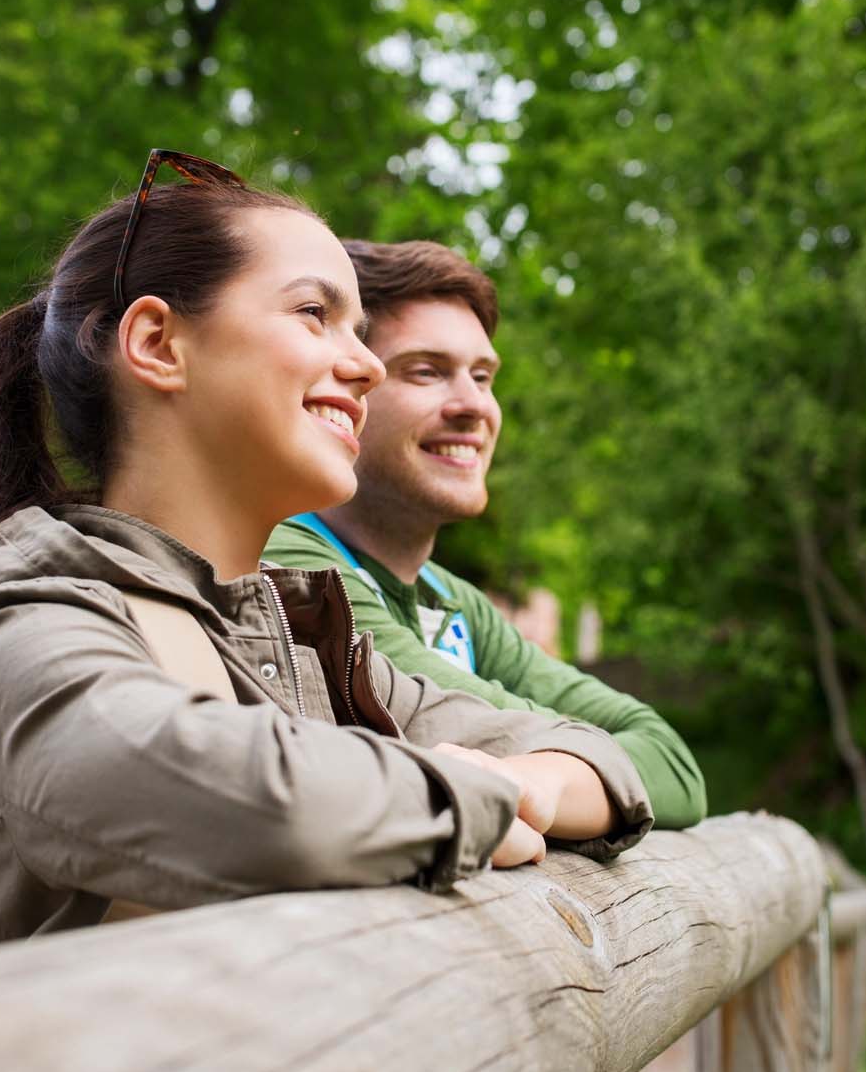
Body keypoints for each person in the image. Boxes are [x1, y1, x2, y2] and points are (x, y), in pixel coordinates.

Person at [0, 153, 652, 946]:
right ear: (160, 344)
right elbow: (166, 779)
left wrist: (509, 783)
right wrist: (472, 796)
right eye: (313, 315)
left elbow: (603, 758)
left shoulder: (307, 645)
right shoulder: (34, 612)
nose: (365, 363)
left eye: (361, 332)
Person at [262, 240, 706, 828]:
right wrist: (586, 771)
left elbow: (673, 767)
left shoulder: (455, 603)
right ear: (349, 385)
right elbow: (451, 729)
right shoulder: (283, 553)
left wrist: (541, 779)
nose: (474, 406)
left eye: (483, 376)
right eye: (428, 371)